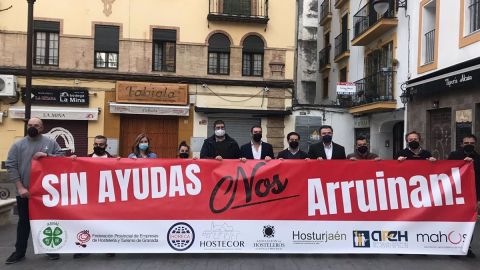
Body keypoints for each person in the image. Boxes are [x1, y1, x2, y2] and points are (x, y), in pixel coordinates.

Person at [5, 117, 63, 264]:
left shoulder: (50, 143)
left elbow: (62, 159)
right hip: (25, 193)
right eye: (30, 125)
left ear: (42, 128)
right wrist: (20, 187)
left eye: (36, 125)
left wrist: (48, 156)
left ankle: (50, 250)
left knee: (47, 222)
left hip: (46, 194)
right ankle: (19, 252)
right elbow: (11, 166)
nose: (32, 127)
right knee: (23, 223)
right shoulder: (18, 145)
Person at [73, 135, 115, 259]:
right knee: (87, 222)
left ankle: (109, 247)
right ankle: (84, 247)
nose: (98, 146)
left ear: (106, 146)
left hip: (107, 197)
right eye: (96, 144)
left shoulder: (113, 159)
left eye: (101, 144)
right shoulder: (86, 159)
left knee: (107, 222)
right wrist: (73, 160)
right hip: (90, 197)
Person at [448, 134, 479, 258]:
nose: (469, 145)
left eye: (472, 143)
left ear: (475, 144)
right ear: (461, 144)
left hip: (471, 195)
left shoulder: (478, 158)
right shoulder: (454, 155)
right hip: (456, 194)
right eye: (466, 143)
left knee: (469, 223)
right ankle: (453, 247)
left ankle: (467, 247)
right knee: (455, 221)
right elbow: (446, 171)